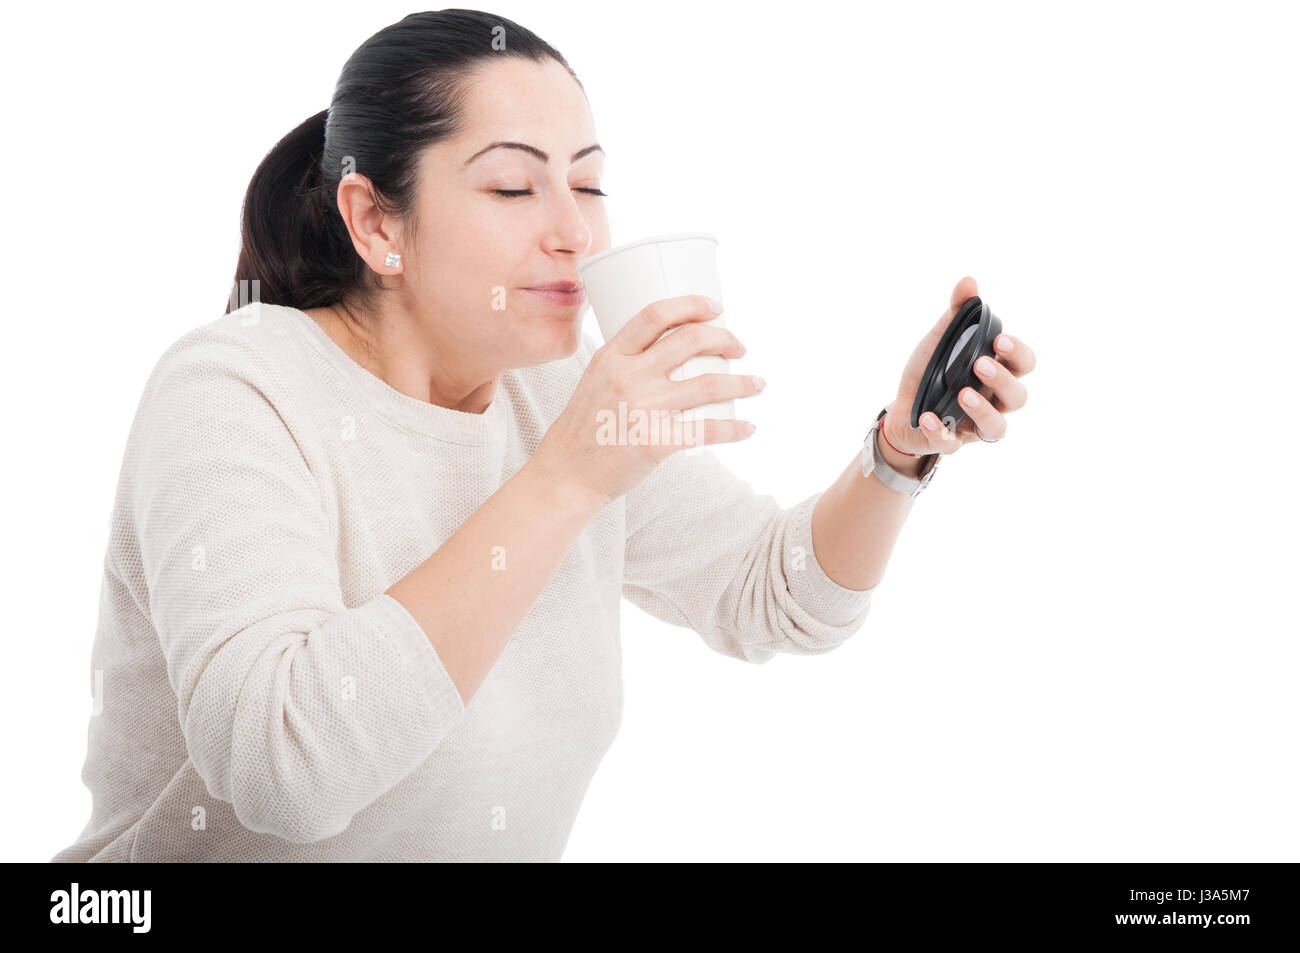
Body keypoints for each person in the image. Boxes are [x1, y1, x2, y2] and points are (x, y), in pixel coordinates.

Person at [52, 9, 1035, 862]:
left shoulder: (552, 390)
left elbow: (778, 596)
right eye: (516, 189)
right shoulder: (234, 386)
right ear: (375, 222)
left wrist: (898, 455)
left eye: (590, 185)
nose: (575, 231)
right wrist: (566, 479)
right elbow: (284, 767)